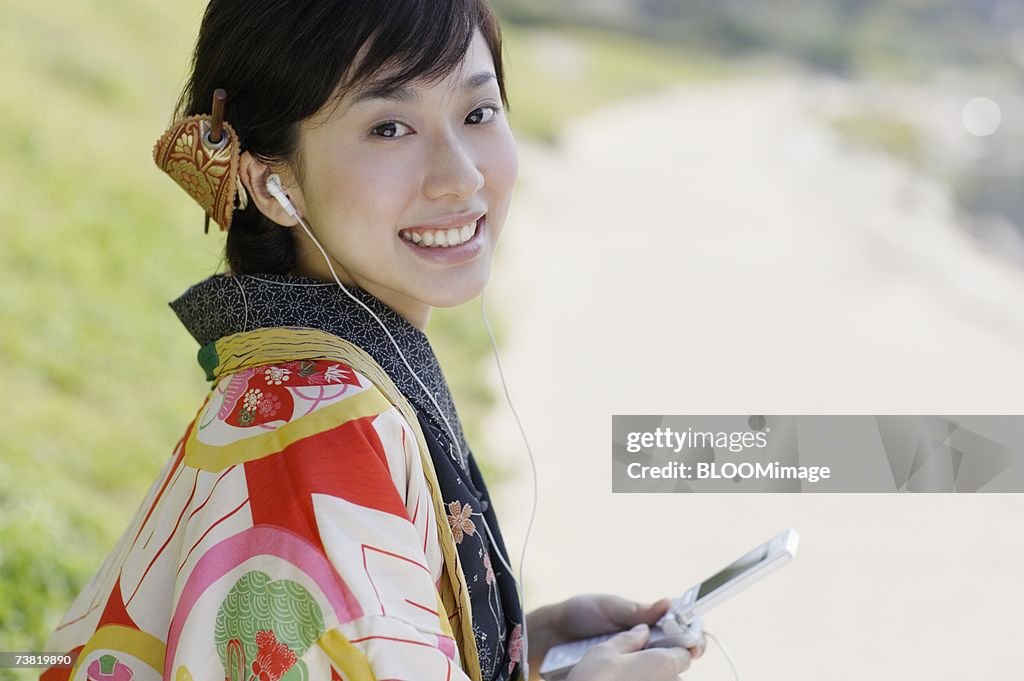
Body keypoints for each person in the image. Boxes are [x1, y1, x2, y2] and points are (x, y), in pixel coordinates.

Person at [41, 1, 704, 679]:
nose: (462, 177)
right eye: (391, 127)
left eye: (478, 114)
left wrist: (515, 645)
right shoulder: (320, 434)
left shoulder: (317, 390)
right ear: (274, 183)